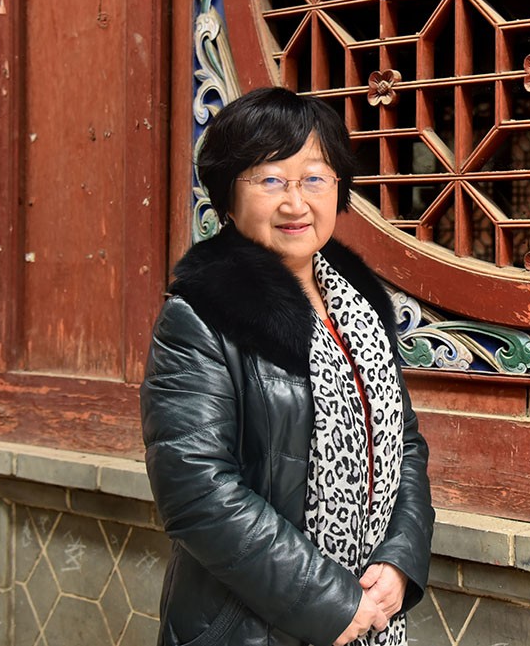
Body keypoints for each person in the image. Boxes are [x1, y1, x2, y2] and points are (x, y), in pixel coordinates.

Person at [140, 86, 434, 646]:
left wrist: (400, 560)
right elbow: (196, 489)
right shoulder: (201, 315)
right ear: (228, 199)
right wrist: (330, 601)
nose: (296, 203)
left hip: (371, 615)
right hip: (249, 626)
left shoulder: (360, 308)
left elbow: (405, 444)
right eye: (270, 180)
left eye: (314, 178)